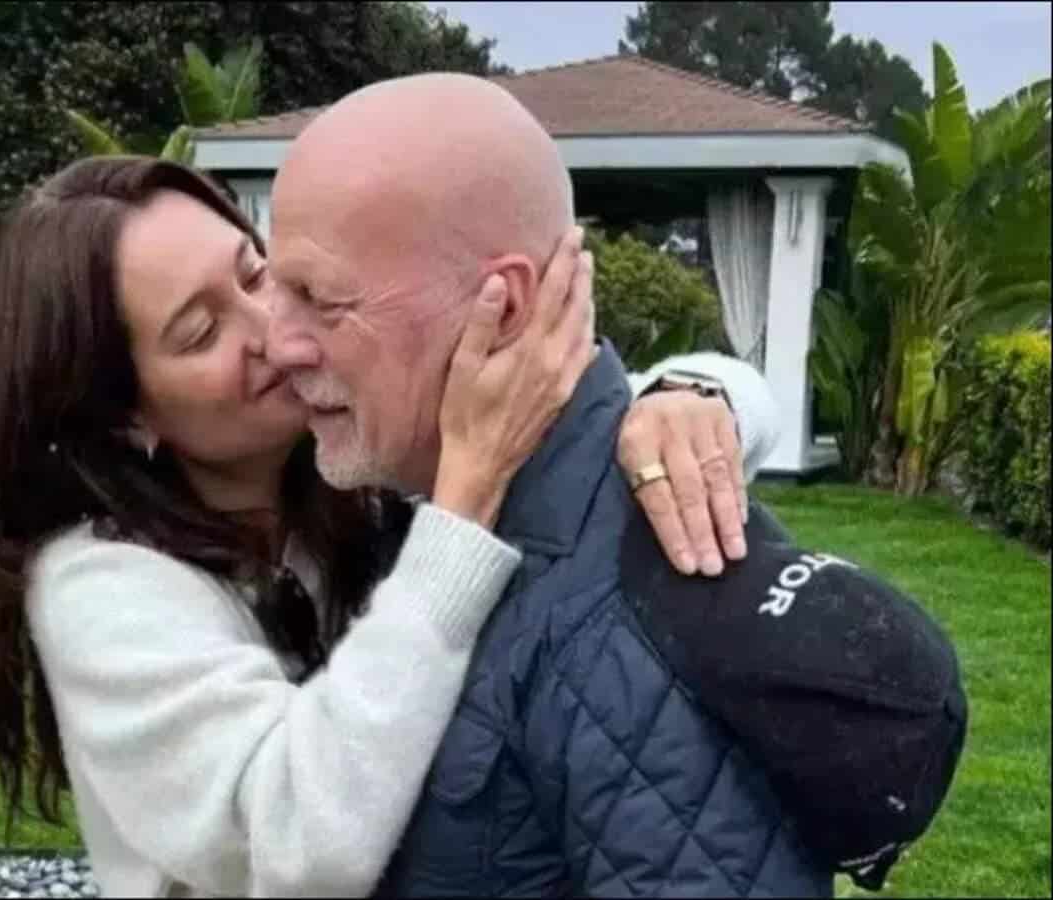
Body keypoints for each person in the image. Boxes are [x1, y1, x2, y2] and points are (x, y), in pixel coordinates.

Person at [0, 156, 782, 898]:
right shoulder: (100, 586)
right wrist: (465, 498)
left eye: (256, 274)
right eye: (202, 331)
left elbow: (715, 398)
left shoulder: (341, 466)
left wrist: (686, 400)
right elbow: (301, 841)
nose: (273, 333)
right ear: (123, 418)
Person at [265, 73, 966, 896]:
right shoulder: (421, 499)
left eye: (320, 299)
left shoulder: (608, 616)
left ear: (505, 306)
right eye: (271, 288)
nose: (278, 344)